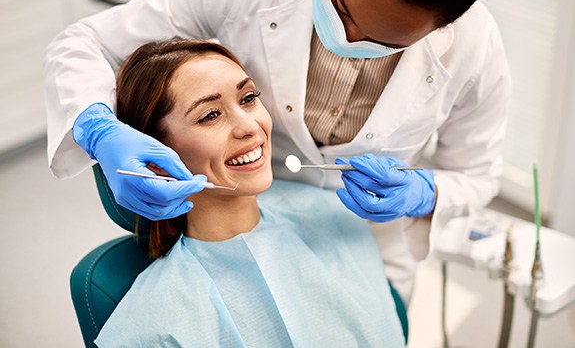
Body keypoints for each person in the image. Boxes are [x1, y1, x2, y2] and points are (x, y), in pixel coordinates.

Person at [43, 0, 530, 301]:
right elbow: (83, 42)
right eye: (340, 6)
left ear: (441, 28)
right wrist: (98, 128)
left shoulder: (474, 48)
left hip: (364, 254)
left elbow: (477, 175)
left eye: (383, 41)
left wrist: (426, 192)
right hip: (241, 229)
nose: (347, 39)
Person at [93, 38, 406, 347]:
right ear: (157, 159)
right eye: (210, 115)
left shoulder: (335, 219)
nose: (250, 126)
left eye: (248, 98)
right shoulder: (153, 329)